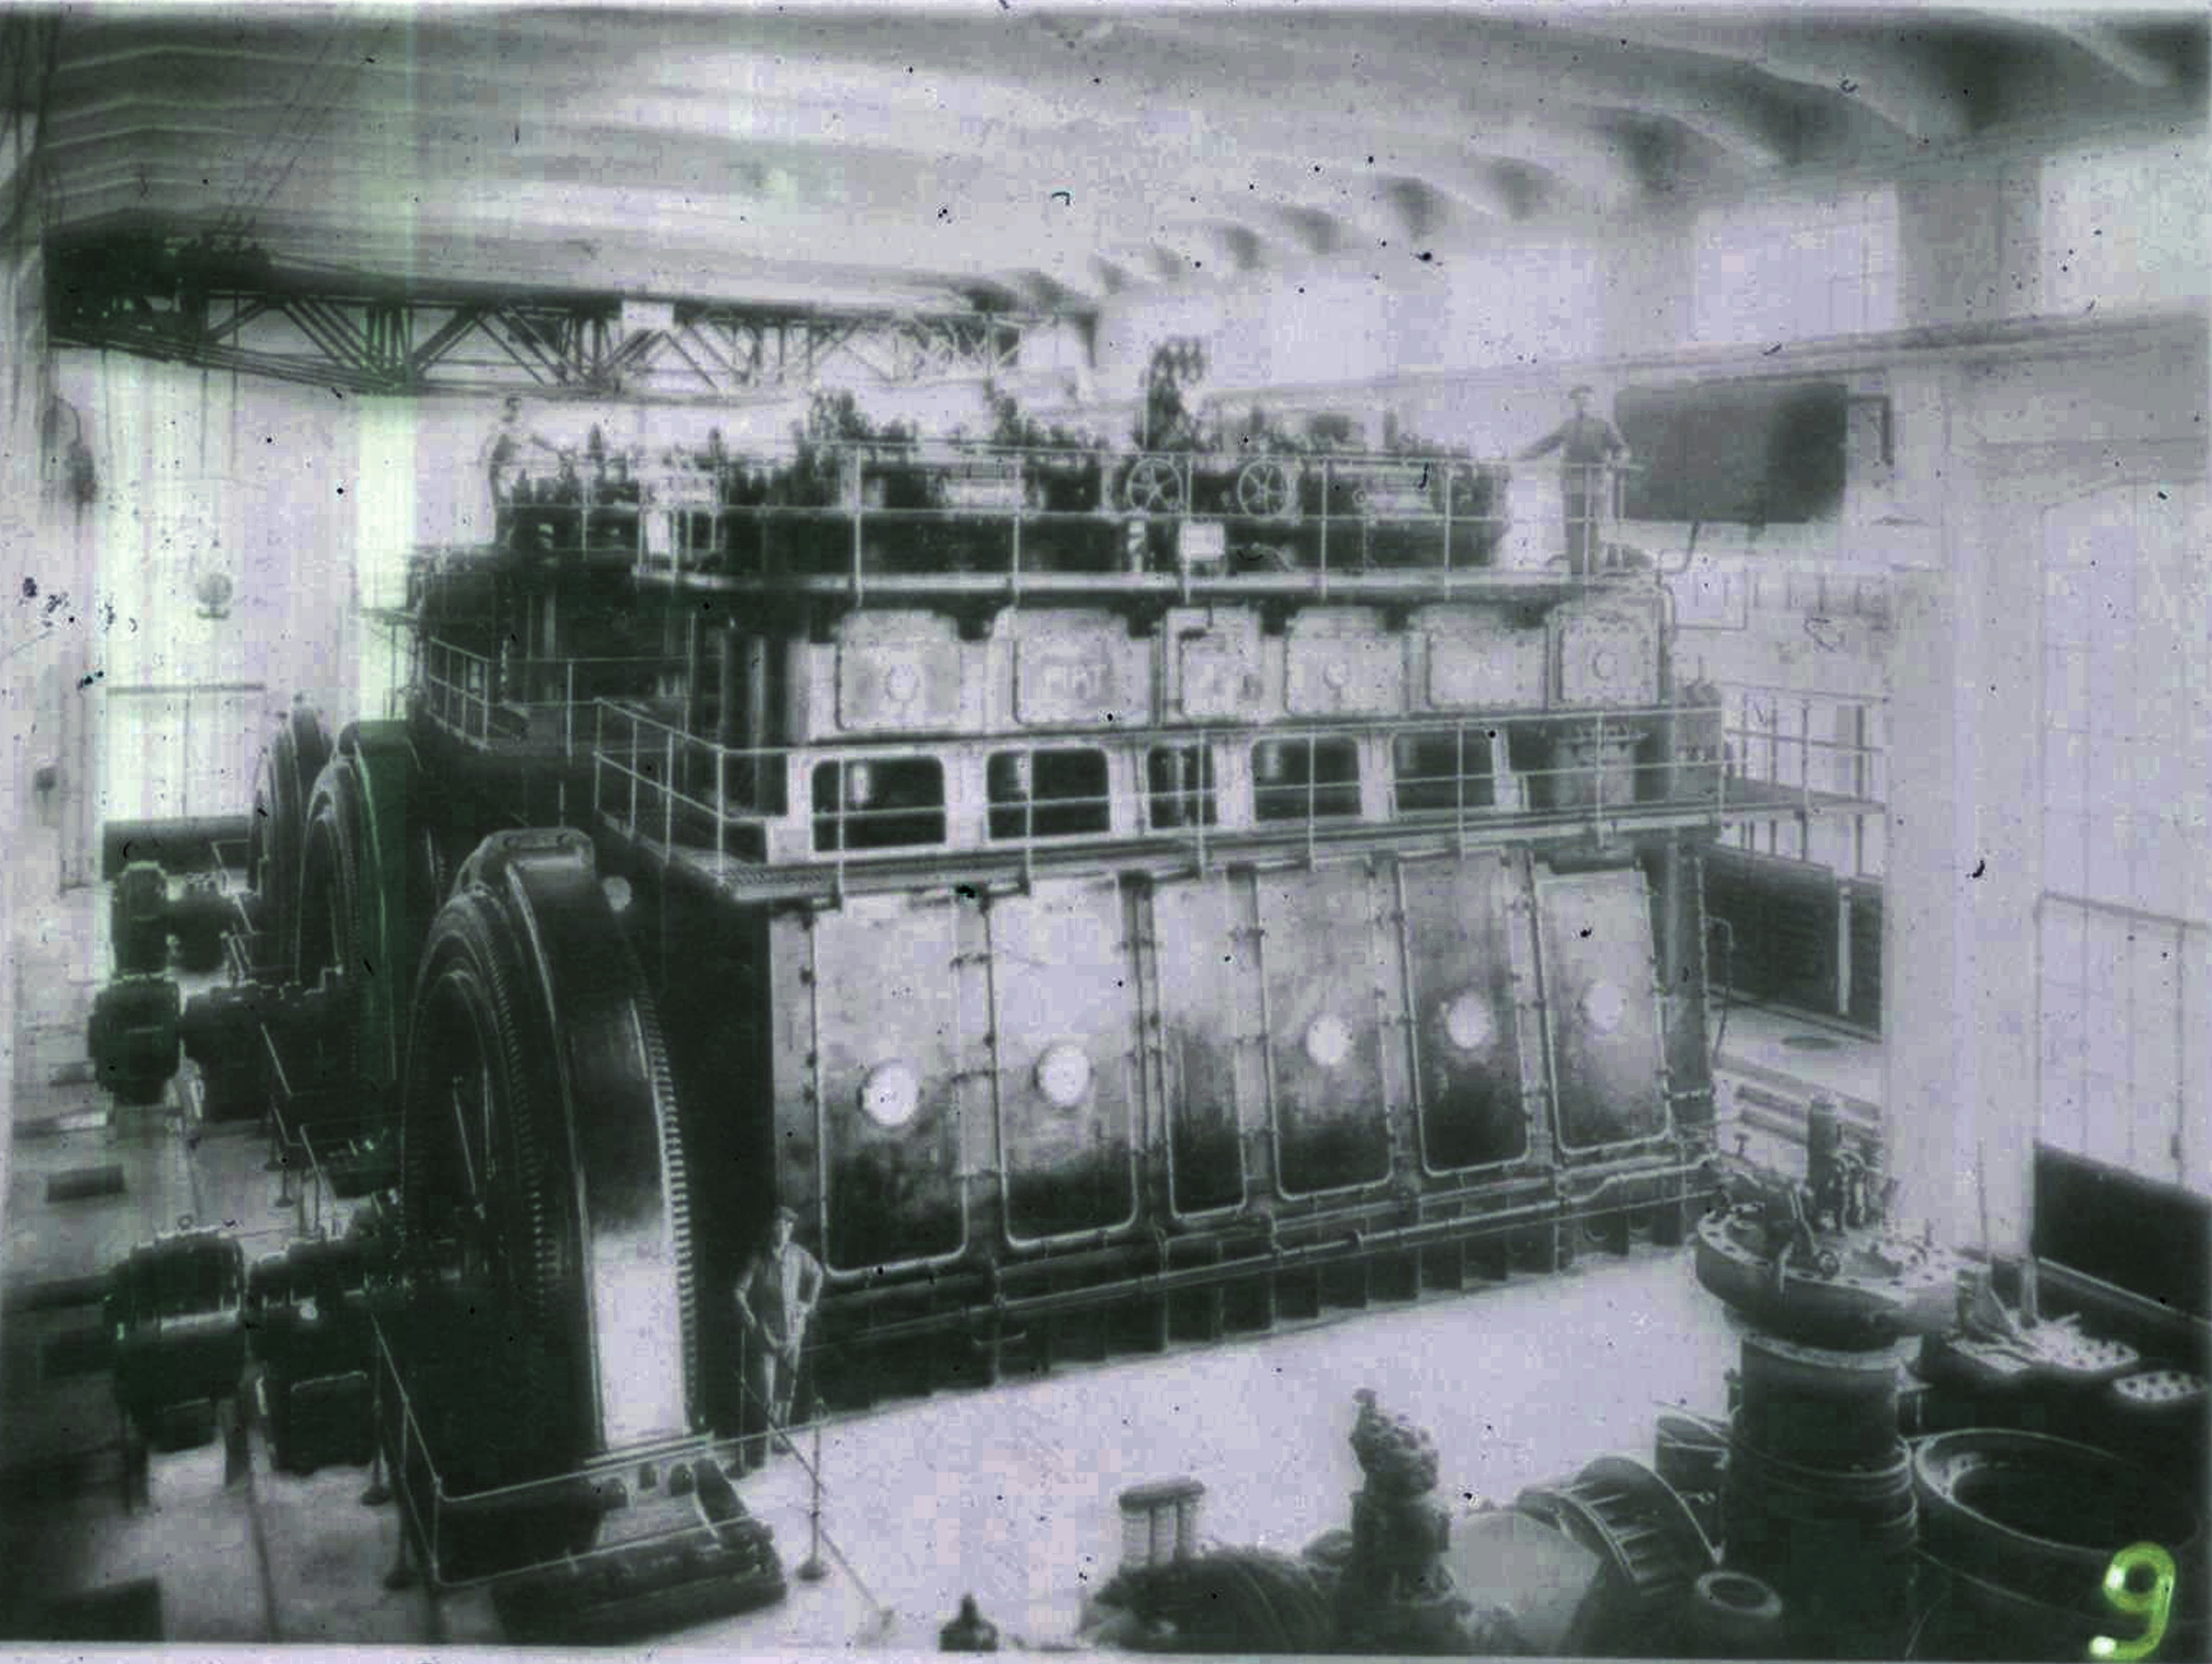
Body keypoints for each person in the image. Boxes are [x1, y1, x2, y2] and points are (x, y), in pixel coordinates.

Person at [733, 1204, 823, 1469]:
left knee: (786, 1391)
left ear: (791, 1229)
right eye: (779, 1224)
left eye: (788, 1225)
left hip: (793, 1335)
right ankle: (760, 1449)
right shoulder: (758, 1259)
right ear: (771, 1228)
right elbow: (738, 1291)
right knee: (765, 1394)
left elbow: (818, 1274)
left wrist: (807, 1305)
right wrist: (749, 1318)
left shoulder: (798, 1255)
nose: (783, 1230)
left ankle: (780, 1439)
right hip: (766, 1337)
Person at [1516, 384, 1630, 573]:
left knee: (1593, 528)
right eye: (1578, 401)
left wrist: (1617, 462)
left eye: (1585, 401)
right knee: (1572, 529)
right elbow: (1546, 444)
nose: (1582, 405)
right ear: (1575, 404)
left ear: (1592, 402)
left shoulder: (1603, 426)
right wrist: (1519, 456)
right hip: (1571, 485)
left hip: (1595, 485)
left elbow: (1622, 449)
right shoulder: (1568, 426)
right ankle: (1575, 573)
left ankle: (1592, 572)